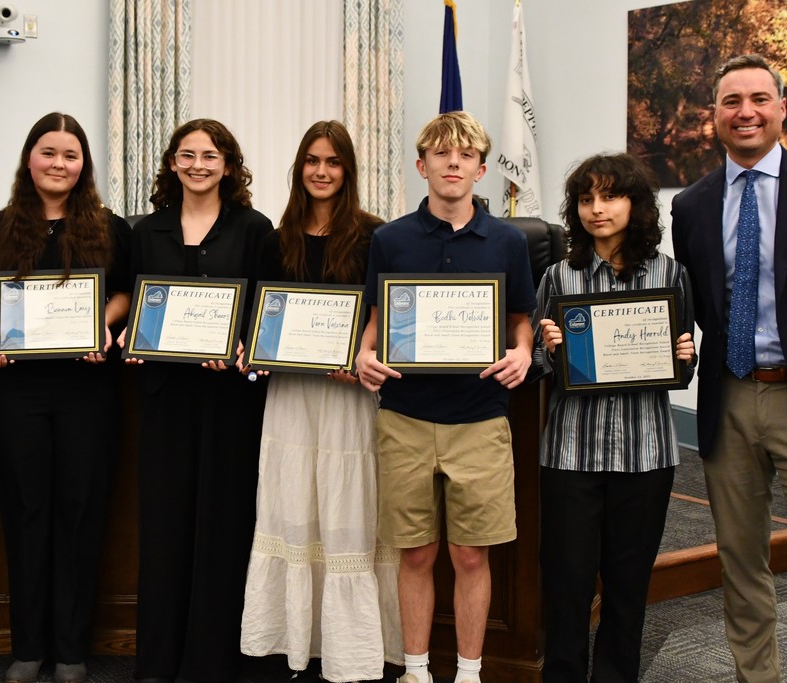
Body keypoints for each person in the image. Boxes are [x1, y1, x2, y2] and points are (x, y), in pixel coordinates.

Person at [671, 54, 787, 682]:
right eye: (731, 101)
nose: (744, 112)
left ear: (782, 108)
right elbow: (692, 305)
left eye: (758, 99)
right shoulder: (692, 206)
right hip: (730, 400)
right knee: (740, 562)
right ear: (714, 116)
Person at [355, 112, 536, 683]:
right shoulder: (390, 239)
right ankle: (414, 670)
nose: (452, 163)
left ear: (482, 169)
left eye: (464, 156)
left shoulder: (508, 240)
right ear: (422, 165)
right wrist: (363, 353)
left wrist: (524, 352)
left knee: (470, 554)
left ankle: (468, 672)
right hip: (406, 416)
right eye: (440, 154)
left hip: (480, 417)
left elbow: (519, 320)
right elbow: (379, 318)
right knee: (414, 552)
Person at [0, 112, 132, 683]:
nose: (59, 164)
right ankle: (26, 646)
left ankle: (71, 649)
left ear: (83, 164)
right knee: (26, 513)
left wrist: (100, 327)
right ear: (29, 158)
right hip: (19, 393)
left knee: (80, 515)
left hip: (88, 390)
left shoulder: (111, 229)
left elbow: (124, 297)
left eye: (71, 154)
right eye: (49, 152)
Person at [239, 121, 403, 681]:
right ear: (299, 168)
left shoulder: (376, 237)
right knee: (293, 502)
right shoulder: (273, 239)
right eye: (312, 160)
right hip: (290, 398)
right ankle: (295, 642)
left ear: (348, 171)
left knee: (346, 505)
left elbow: (385, 316)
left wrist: (358, 352)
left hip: (348, 398)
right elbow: (260, 320)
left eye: (333, 162)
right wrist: (254, 352)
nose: (321, 171)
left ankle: (353, 650)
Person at [533, 153, 695, 682]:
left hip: (645, 454)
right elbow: (537, 363)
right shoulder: (557, 276)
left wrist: (684, 355)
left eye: (610, 196)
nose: (597, 209)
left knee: (627, 587)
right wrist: (549, 348)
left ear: (636, 205)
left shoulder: (671, 274)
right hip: (571, 453)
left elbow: (679, 364)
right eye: (586, 199)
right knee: (568, 585)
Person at [121, 119, 273, 683]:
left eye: (210, 155)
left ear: (228, 165)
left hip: (229, 399)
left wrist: (240, 345)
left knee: (224, 523)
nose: (198, 164)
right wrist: (135, 343)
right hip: (164, 397)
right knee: (164, 527)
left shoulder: (254, 228)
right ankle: (158, 661)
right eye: (187, 155)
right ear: (172, 164)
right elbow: (137, 300)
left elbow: (264, 306)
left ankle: (212, 661)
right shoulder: (147, 230)